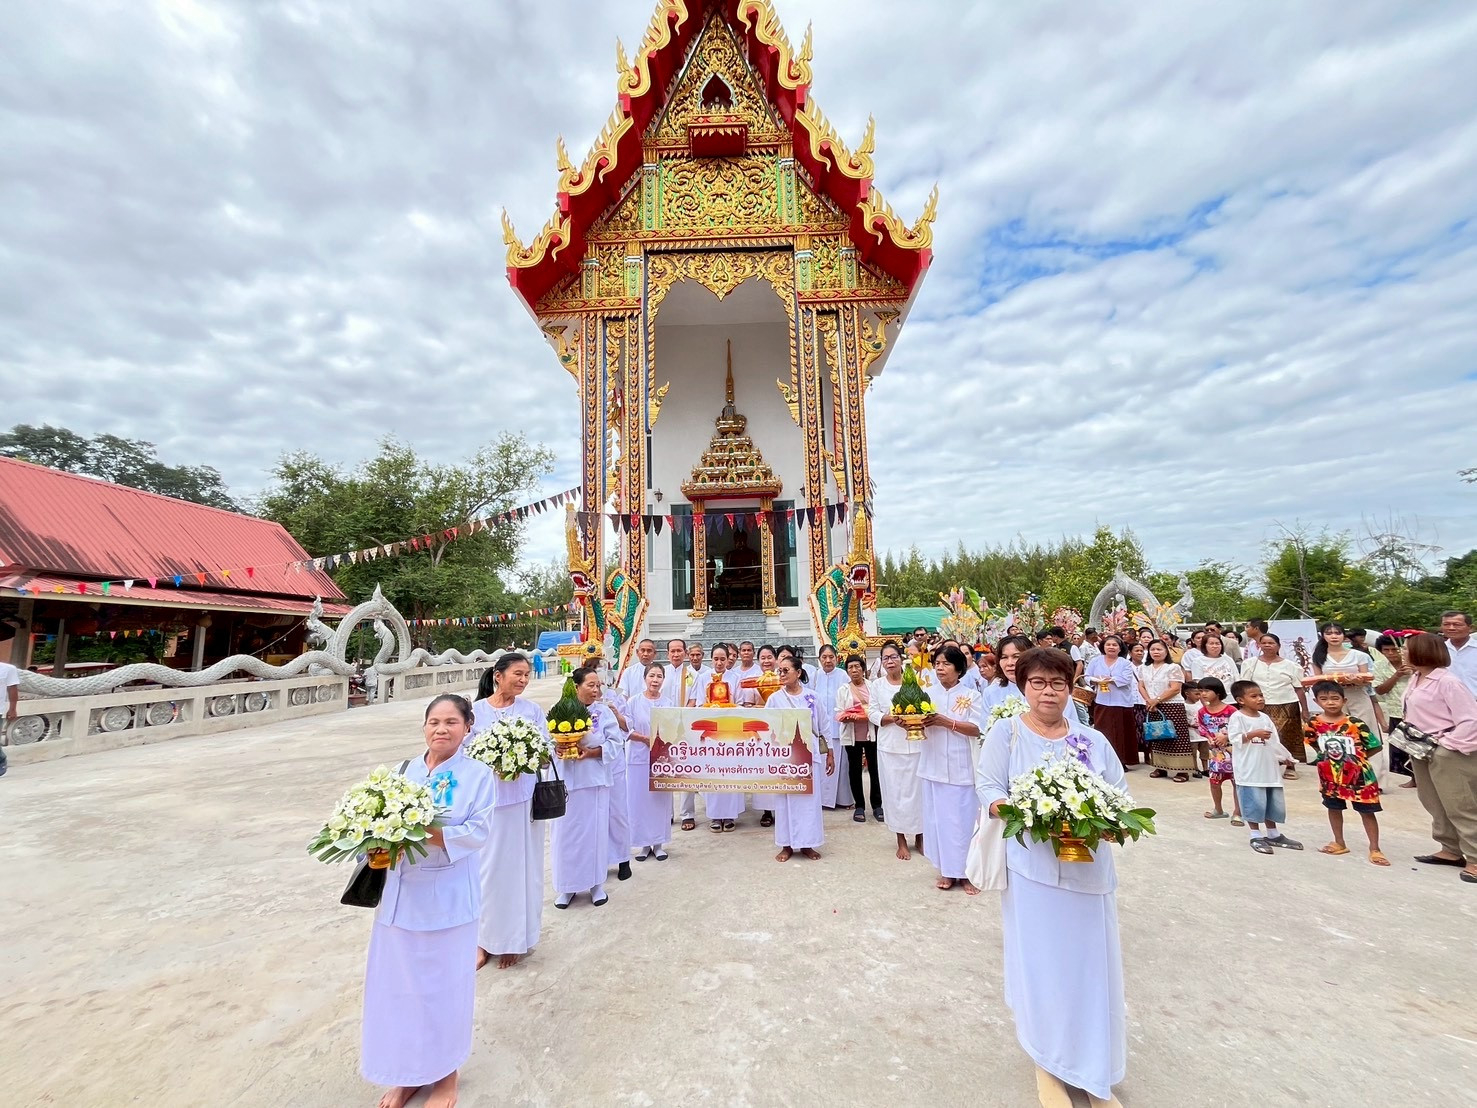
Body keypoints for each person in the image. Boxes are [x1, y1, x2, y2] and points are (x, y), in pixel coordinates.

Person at [975, 646, 1128, 1107]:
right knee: (1043, 967)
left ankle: (1093, 1071)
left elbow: (1120, 794)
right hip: (1034, 873)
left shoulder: (1093, 741)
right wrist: (1025, 810)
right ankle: (1048, 1065)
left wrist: (1106, 820)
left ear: (1070, 688)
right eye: (1038, 683)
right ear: (1023, 687)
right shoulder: (1007, 733)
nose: (1048, 692)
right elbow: (988, 788)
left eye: (1057, 683)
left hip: (1089, 872)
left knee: (1090, 969)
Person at [361, 694, 495, 1108]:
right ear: (424, 727)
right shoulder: (402, 772)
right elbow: (381, 827)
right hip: (399, 900)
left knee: (444, 988)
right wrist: (375, 841)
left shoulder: (477, 775)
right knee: (399, 989)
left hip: (448, 901)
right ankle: (407, 1073)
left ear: (468, 726)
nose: (441, 729)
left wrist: (424, 830)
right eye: (434, 721)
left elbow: (478, 832)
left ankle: (445, 1075)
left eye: (451, 721)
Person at [467, 653, 549, 971]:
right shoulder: (475, 712)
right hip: (487, 806)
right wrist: (492, 763)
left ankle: (515, 940)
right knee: (486, 873)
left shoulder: (531, 711)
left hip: (523, 804)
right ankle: (483, 941)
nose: (524, 680)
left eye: (527, 675)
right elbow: (463, 752)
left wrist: (525, 757)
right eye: (518, 673)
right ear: (497, 675)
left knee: (521, 873)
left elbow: (547, 751)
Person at [1401, 632, 1477, 881]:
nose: (1403, 651)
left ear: (1422, 652)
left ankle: (1475, 858)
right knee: (1433, 800)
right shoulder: (1417, 677)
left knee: (1460, 804)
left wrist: (1447, 744)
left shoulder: (1447, 682)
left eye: (1406, 648)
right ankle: (1450, 849)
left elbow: (1470, 720)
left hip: (1448, 752)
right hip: (1422, 748)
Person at [551, 667, 621, 908]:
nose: (596, 689)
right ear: (577, 686)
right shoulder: (560, 711)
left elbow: (616, 742)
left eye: (598, 685)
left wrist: (592, 753)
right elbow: (547, 742)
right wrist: (558, 749)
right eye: (591, 685)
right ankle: (566, 886)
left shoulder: (603, 712)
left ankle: (596, 884)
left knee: (595, 833)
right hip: (568, 781)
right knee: (567, 835)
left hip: (595, 781)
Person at [918, 645, 985, 894]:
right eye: (937, 663)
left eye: (945, 663)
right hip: (933, 765)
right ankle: (946, 870)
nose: (939, 668)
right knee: (939, 822)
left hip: (961, 768)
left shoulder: (972, 696)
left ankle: (967, 873)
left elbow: (978, 728)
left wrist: (947, 722)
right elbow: (915, 724)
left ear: (959, 668)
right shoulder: (926, 694)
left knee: (963, 822)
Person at [1304, 680, 1386, 866]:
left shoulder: (1355, 723)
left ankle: (1375, 848)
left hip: (1360, 779)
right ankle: (1339, 842)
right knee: (1333, 808)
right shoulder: (1313, 724)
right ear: (1316, 702)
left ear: (1344, 700)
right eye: (1324, 699)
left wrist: (1356, 759)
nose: (1330, 702)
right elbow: (1314, 743)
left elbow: (1375, 746)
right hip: (1329, 778)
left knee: (1367, 812)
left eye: (1335, 698)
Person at [765, 655, 836, 861]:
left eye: (786, 670)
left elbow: (824, 726)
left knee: (809, 802)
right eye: (780, 670)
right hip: (785, 758)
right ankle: (786, 845)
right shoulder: (774, 699)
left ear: (798, 672)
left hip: (809, 755)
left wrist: (830, 752)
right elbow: (767, 727)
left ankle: (808, 844)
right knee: (784, 801)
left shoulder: (812, 697)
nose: (782, 674)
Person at [1227, 680, 1303, 854]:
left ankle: (1273, 833)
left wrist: (1285, 757)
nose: (1260, 699)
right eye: (1254, 696)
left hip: (1268, 768)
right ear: (1241, 700)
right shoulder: (1237, 717)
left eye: (1261, 695)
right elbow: (1235, 738)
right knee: (1253, 801)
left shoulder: (1265, 718)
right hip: (1250, 769)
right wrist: (1253, 734)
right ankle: (1255, 834)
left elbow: (1274, 741)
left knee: (1271, 801)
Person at [870, 641, 924, 860]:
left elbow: (925, 707)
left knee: (918, 793)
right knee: (895, 794)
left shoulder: (916, 681)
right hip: (890, 747)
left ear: (901, 659)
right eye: (885, 658)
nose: (890, 661)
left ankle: (920, 836)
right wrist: (892, 718)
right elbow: (872, 712)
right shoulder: (877, 686)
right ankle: (900, 839)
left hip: (916, 745)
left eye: (893, 657)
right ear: (881, 663)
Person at [1240, 633, 1310, 780]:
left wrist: (1305, 709)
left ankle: (1290, 765)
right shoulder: (1250, 664)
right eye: (1263, 643)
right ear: (1258, 645)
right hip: (1259, 706)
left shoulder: (1291, 666)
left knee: (1287, 736)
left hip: (1286, 705)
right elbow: (1244, 686)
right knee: (1263, 736)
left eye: (1271, 643)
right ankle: (1265, 766)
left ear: (1278, 646)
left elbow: (1299, 688)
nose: (1267, 645)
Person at [625, 662, 674, 859]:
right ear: (645, 678)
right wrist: (645, 739)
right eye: (652, 676)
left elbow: (674, 729)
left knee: (660, 801)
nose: (655, 680)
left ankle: (659, 843)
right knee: (639, 801)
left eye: (659, 676)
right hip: (638, 757)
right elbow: (626, 730)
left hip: (661, 759)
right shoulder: (633, 702)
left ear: (664, 680)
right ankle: (643, 845)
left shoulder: (668, 703)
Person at [700, 644, 745, 832]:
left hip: (731, 733)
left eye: (723, 659)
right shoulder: (703, 678)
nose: (719, 663)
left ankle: (730, 815)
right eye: (716, 659)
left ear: (729, 660)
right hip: (711, 734)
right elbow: (699, 704)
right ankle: (715, 816)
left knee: (732, 771)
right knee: (713, 772)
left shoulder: (736, 678)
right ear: (711, 660)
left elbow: (741, 703)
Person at [1138, 639, 1196, 782]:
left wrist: (1157, 699)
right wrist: (1149, 701)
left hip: (1171, 705)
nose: (1156, 652)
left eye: (1159, 649)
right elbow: (1141, 686)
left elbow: (1175, 688)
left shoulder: (1173, 667)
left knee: (1176, 737)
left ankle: (1182, 771)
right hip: (1152, 706)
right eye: (1153, 649)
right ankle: (1160, 767)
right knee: (1157, 736)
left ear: (1166, 651)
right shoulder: (1144, 668)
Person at [836, 653, 882, 823]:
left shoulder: (873, 687)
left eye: (857, 667)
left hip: (872, 734)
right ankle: (859, 806)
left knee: (875, 770)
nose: (854, 670)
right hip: (852, 735)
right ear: (847, 671)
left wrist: (864, 715)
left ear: (863, 669)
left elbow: (878, 709)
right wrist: (848, 716)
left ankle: (877, 805)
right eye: (850, 667)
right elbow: (839, 711)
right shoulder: (843, 690)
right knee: (854, 771)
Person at [659, 639, 700, 831]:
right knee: (664, 769)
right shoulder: (660, 673)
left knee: (686, 770)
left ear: (685, 653)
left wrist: (681, 717)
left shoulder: (692, 674)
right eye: (672, 651)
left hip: (685, 725)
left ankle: (687, 814)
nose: (676, 654)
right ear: (667, 654)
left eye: (679, 651)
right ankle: (666, 814)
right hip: (664, 726)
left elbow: (694, 700)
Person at [1083, 635, 1138, 768]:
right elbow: (1086, 677)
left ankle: (1122, 761)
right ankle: (1103, 760)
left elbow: (1125, 680)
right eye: (1108, 645)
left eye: (1114, 645)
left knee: (1121, 733)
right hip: (1102, 702)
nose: (1111, 647)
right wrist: (1095, 680)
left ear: (1120, 648)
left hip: (1121, 703)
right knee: (1104, 731)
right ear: (1103, 647)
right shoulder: (1095, 661)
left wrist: (1110, 679)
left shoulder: (1125, 663)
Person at [1194, 677, 1243, 825]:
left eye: (1207, 690)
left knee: (1237, 782)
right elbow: (1202, 728)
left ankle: (1238, 812)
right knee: (1215, 781)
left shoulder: (1231, 710)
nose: (1203, 694)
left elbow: (1238, 727)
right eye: (1201, 691)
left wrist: (1226, 735)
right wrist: (1208, 737)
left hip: (1233, 752)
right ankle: (1218, 809)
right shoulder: (1202, 711)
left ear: (1218, 692)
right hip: (1215, 753)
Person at [810, 645, 853, 811]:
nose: (828, 661)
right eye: (824, 657)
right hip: (819, 729)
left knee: (841, 766)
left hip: (839, 726)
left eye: (831, 657)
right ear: (819, 658)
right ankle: (821, 800)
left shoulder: (843, 676)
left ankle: (843, 800)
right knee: (821, 766)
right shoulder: (814, 676)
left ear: (837, 658)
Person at [1372, 634, 1414, 785]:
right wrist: (1397, 675)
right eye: (1386, 650)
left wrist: (1413, 671)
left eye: (1394, 649)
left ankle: (1419, 778)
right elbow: (1380, 690)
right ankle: (1409, 777)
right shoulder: (1379, 666)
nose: (1391, 653)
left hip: (1416, 712)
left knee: (1417, 746)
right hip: (1395, 711)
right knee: (1399, 748)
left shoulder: (1416, 664)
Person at [1441, 610, 1477, 697]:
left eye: (1457, 624)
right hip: (1446, 705)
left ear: (1470, 628)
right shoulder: (1438, 650)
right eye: (1446, 624)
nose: (1451, 628)